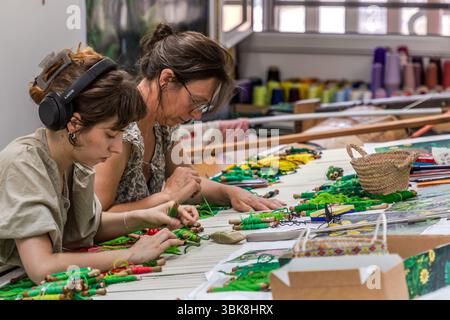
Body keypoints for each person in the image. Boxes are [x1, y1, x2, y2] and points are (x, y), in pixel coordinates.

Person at [0, 46, 198, 284]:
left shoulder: (75, 161)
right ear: (74, 124)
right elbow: (42, 267)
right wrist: (131, 255)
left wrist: (147, 216)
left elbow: (87, 228)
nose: (116, 147)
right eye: (110, 134)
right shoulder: (24, 163)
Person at [95, 23, 286, 213]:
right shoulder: (120, 128)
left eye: (202, 106)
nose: (196, 114)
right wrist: (167, 197)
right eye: (195, 101)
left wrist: (231, 193)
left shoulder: (161, 127)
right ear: (166, 79)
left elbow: (191, 184)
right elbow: (98, 219)